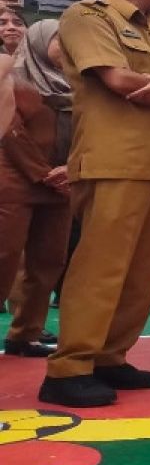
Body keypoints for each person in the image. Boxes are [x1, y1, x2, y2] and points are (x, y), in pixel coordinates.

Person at [39, 0, 150, 408]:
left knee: (141, 271)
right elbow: (120, 81)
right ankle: (69, 368)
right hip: (113, 160)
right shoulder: (88, 16)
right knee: (101, 267)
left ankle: (110, 356)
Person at [1, 20, 72, 357]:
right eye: (62, 40)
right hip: (16, 180)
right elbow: (11, 131)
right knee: (5, 256)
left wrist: (73, 169)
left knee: (48, 260)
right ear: (41, 40)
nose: (69, 47)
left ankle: (25, 333)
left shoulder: (79, 84)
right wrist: (43, 173)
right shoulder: (10, 80)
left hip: (61, 185)